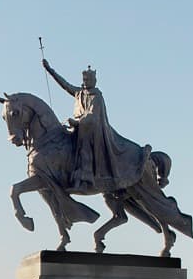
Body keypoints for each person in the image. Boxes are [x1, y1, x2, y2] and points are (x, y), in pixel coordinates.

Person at [42, 57, 145, 193]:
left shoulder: (96, 96)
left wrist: (77, 122)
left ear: (94, 81)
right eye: (85, 80)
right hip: (80, 127)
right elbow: (65, 85)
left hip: (92, 130)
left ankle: (85, 179)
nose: (86, 82)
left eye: (89, 80)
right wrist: (50, 70)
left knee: (85, 149)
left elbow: (92, 115)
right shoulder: (79, 93)